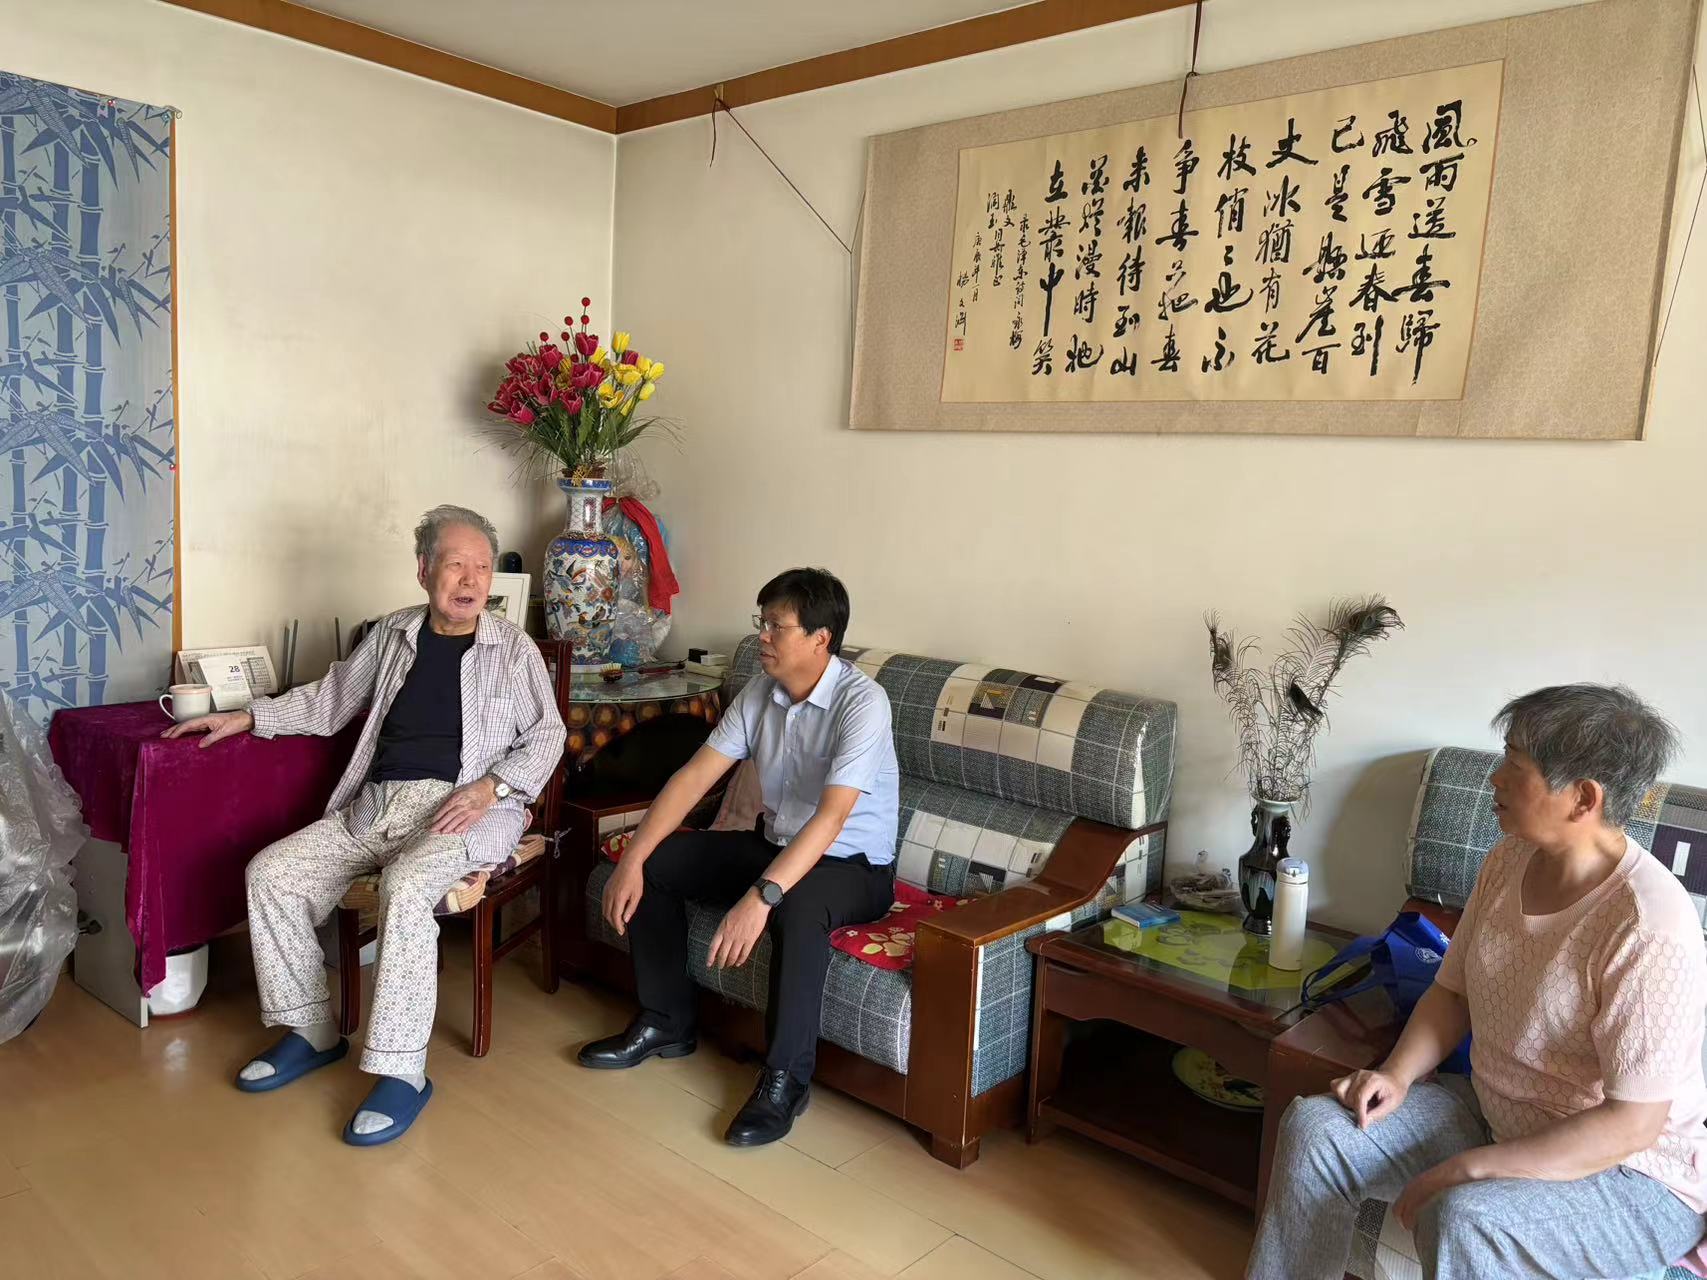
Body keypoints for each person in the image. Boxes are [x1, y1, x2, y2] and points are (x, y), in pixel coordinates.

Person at [1250, 684, 1707, 1280]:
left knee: (1468, 1218)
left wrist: (1473, 1169)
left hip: (1629, 1178)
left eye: (1515, 764)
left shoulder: (1647, 925)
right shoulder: (1508, 859)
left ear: (1583, 798)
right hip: (1498, 1117)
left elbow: (1632, 1124)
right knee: (1317, 1132)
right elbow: (1452, 991)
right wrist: (1396, 1074)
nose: (1495, 778)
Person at [163, 505, 565, 1145]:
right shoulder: (393, 634)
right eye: (455, 564)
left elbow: (548, 737)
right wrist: (247, 717)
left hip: (461, 810)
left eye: (482, 567)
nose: (470, 580)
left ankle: (403, 1072)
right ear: (423, 570)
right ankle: (311, 1031)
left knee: (405, 889)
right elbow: (329, 702)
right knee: (271, 874)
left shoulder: (512, 650)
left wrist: (490, 788)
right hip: (375, 806)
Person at [578, 567, 898, 1147]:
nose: (762, 637)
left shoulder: (863, 703)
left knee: (799, 909)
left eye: (777, 626)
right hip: (775, 846)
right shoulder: (759, 692)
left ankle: (786, 1081)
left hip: (853, 867)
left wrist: (762, 896)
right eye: (762, 622)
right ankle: (666, 1023)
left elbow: (831, 820)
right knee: (659, 864)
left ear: (821, 638)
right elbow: (693, 777)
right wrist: (632, 859)